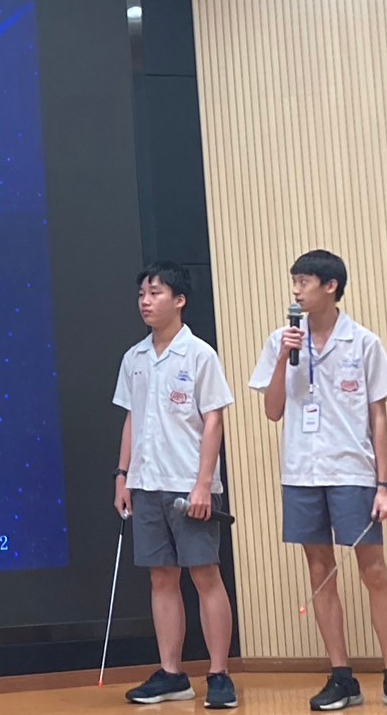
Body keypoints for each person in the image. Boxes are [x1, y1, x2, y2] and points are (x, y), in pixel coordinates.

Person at [250, 250, 387, 712]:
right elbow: (272, 411)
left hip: (353, 470)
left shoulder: (364, 342)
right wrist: (283, 357)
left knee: (373, 570)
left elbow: (379, 416)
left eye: (304, 281)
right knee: (319, 570)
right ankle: (341, 676)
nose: (295, 290)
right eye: (293, 281)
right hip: (302, 472)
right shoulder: (280, 341)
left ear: (330, 286)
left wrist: (385, 485)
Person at [113, 262, 237, 708]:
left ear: (179, 300)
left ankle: (219, 674)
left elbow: (213, 421)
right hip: (146, 483)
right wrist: (122, 475)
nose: (145, 301)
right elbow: (132, 418)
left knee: (205, 575)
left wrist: (204, 484)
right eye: (141, 294)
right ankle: (172, 673)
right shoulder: (134, 358)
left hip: (189, 485)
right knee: (161, 578)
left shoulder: (199, 354)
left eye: (155, 293)